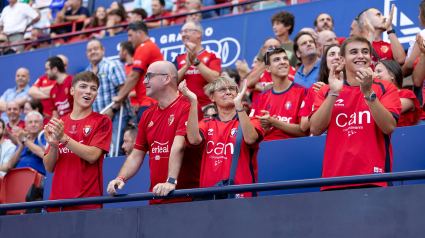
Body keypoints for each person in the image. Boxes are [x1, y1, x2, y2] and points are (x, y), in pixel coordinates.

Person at [309, 36, 402, 191]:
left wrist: (368, 93)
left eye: (365, 52)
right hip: (334, 179)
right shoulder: (326, 90)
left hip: (375, 178)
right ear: (342, 59)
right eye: (354, 52)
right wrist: (333, 93)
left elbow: (389, 127)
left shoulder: (386, 88)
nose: (361, 56)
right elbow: (316, 129)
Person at [107, 61, 202, 205]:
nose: (144, 81)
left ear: (167, 79)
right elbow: (136, 155)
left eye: (149, 76)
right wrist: (120, 178)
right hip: (157, 196)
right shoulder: (147, 115)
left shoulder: (188, 106)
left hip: (187, 197)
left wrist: (171, 181)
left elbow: (179, 146)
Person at [181, 76, 264, 198]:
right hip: (209, 197)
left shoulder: (251, 121)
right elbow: (193, 140)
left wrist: (239, 106)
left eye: (232, 89)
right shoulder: (206, 124)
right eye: (222, 90)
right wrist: (193, 102)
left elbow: (251, 138)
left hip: (242, 197)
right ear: (211, 97)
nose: (228, 92)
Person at [43, 71, 112, 212]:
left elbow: (93, 156)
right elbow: (49, 167)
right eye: (83, 86)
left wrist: (64, 138)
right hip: (57, 204)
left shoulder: (102, 121)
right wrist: (54, 147)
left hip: (87, 204)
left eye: (93, 89)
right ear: (72, 90)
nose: (88, 91)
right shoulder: (59, 123)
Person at [249, 48, 308, 141]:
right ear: (268, 68)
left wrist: (273, 122)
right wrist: (263, 131)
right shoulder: (261, 98)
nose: (283, 62)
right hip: (265, 149)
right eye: (277, 60)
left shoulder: (303, 92)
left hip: (294, 148)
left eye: (285, 59)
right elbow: (251, 136)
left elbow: (305, 132)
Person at [85, 40, 132, 156]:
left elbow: (124, 89)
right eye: (90, 50)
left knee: (116, 150)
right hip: (97, 121)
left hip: (117, 116)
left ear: (103, 50)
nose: (93, 52)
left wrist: (113, 110)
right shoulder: (86, 72)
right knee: (101, 153)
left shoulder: (113, 65)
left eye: (95, 48)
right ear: (87, 54)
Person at [112, 21, 164, 122]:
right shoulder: (150, 46)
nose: (129, 39)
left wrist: (121, 96)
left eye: (130, 35)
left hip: (150, 102)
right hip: (149, 101)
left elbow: (134, 76)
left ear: (140, 33)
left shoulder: (144, 47)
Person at [173, 21, 221, 107]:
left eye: (187, 31)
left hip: (206, 107)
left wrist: (195, 60)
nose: (183, 34)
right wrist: (186, 66)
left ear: (198, 33)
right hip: (182, 107)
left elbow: (215, 80)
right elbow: (171, 82)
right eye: (182, 32)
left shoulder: (212, 55)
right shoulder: (178, 58)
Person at [299, 44, 342, 132]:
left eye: (340, 54)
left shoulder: (354, 87)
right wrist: (325, 94)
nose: (337, 57)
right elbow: (303, 126)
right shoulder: (315, 88)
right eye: (332, 54)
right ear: (325, 61)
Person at [375, 60, 421, 127]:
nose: (375, 75)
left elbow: (385, 111)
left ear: (392, 75)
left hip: (402, 135)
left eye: (379, 71)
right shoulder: (376, 96)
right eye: (374, 72)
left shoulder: (407, 94)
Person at [5, 111, 46, 175]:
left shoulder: (46, 137)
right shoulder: (24, 139)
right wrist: (21, 147)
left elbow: (44, 154)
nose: (33, 124)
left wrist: (25, 140)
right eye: (30, 122)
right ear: (26, 126)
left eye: (36, 122)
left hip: (37, 177)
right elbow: (10, 165)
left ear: (41, 125)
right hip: (18, 176)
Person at [119, 41, 138, 107]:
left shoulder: (139, 67)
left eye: (120, 51)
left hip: (138, 105)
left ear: (125, 52)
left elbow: (143, 91)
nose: (119, 54)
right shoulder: (122, 69)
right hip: (126, 107)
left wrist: (123, 95)